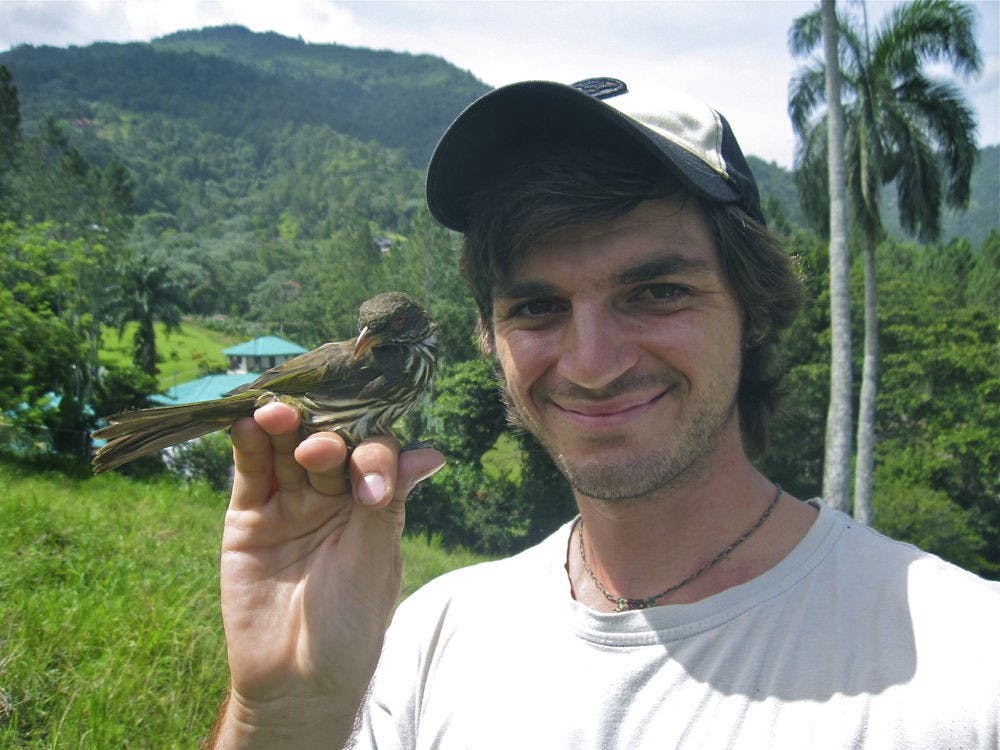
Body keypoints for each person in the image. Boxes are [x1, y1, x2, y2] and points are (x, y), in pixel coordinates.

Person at [205, 78, 1000, 749]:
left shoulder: (971, 667)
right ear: (489, 337)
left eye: (656, 292)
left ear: (752, 308)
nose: (592, 362)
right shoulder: (429, 639)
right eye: (538, 306)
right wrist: (276, 717)